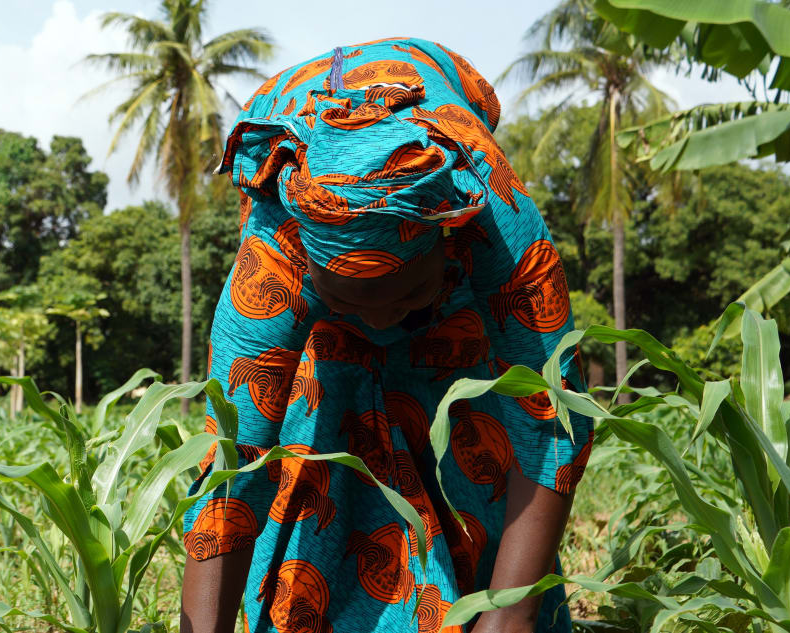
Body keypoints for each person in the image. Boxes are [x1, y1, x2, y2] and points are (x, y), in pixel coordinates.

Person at [180, 38, 590, 633]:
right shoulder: (276, 255)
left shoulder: (495, 222)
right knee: (317, 446)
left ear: (446, 240)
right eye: (349, 300)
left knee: (479, 445)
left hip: (456, 318)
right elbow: (233, 464)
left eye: (403, 294)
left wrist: (510, 617)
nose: (379, 320)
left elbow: (553, 418)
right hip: (331, 321)